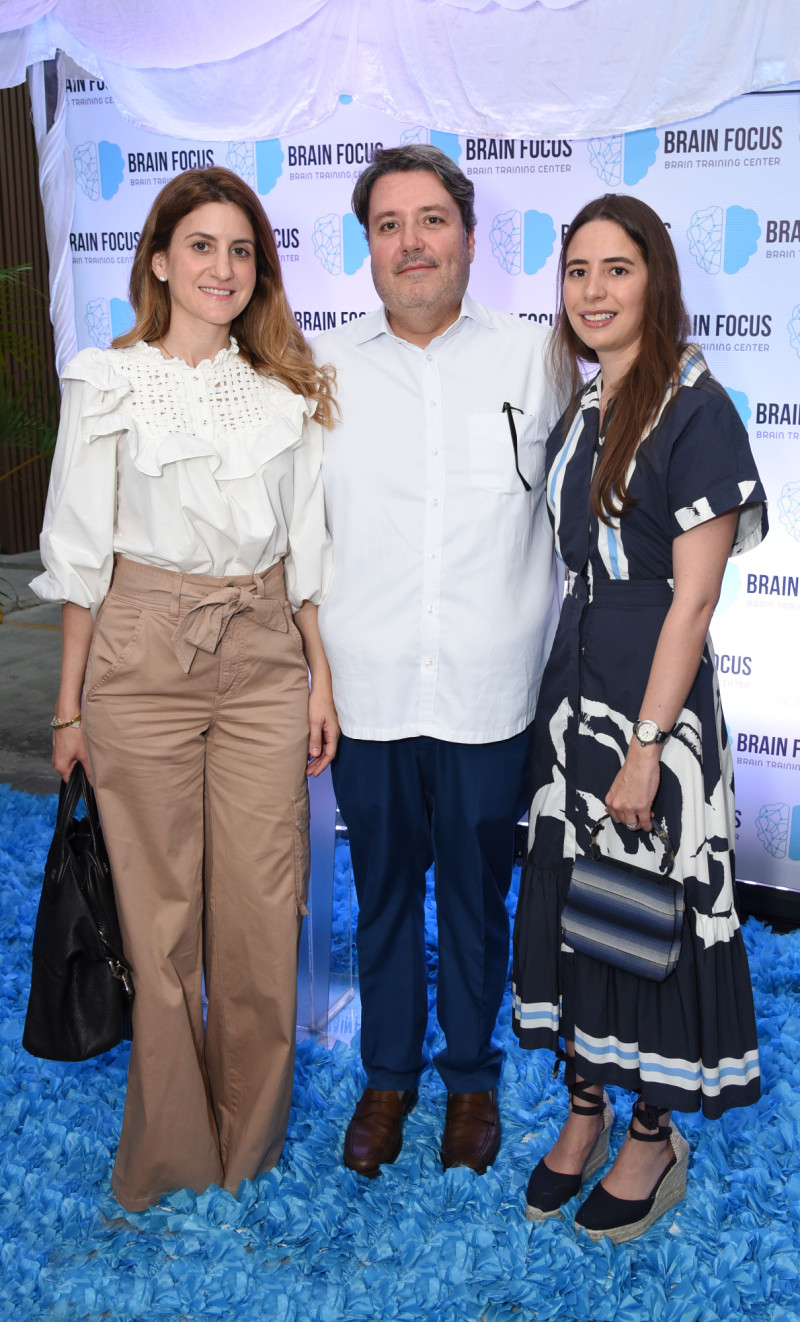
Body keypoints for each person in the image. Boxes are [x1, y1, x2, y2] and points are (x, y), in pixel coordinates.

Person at [31, 167, 339, 1212]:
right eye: (201, 245)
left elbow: (305, 556)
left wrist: (316, 680)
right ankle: (169, 1147)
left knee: (260, 903)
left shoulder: (289, 392)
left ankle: (245, 1143)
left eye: (241, 249)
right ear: (158, 258)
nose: (223, 267)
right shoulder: (105, 379)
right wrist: (69, 707)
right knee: (157, 918)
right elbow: (78, 562)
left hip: (262, 657)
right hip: (141, 658)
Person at [511, 194, 766, 1243]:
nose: (593, 291)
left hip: (650, 708)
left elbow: (691, 600)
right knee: (579, 905)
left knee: (641, 914)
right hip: (572, 691)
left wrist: (647, 745)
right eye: (576, 272)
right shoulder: (581, 408)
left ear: (653, 279)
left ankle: (652, 1131)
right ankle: (584, 1105)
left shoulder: (696, 407)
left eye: (616, 269)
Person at [313, 145, 561, 1178]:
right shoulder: (319, 370)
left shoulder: (537, 358)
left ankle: (469, 1078)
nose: (410, 243)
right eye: (388, 224)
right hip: (367, 685)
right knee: (377, 892)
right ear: (365, 244)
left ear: (467, 236)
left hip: (488, 686)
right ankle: (386, 1076)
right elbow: (293, 537)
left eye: (430, 221)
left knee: (471, 893)